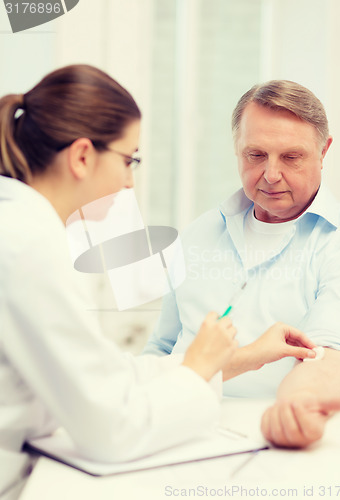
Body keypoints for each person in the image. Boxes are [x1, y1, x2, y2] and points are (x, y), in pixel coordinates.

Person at [0, 66, 321, 499]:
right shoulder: (29, 245)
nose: (130, 180)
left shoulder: (20, 225)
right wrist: (195, 367)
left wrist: (227, 359)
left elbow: (106, 376)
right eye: (129, 159)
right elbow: (114, 429)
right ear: (81, 156)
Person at [144, 79, 340, 448]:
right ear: (237, 149)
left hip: (282, 439)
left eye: (291, 157)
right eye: (255, 155)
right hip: (177, 432)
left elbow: (330, 352)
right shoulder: (196, 235)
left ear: (323, 151)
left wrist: (298, 406)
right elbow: (163, 346)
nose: (270, 174)